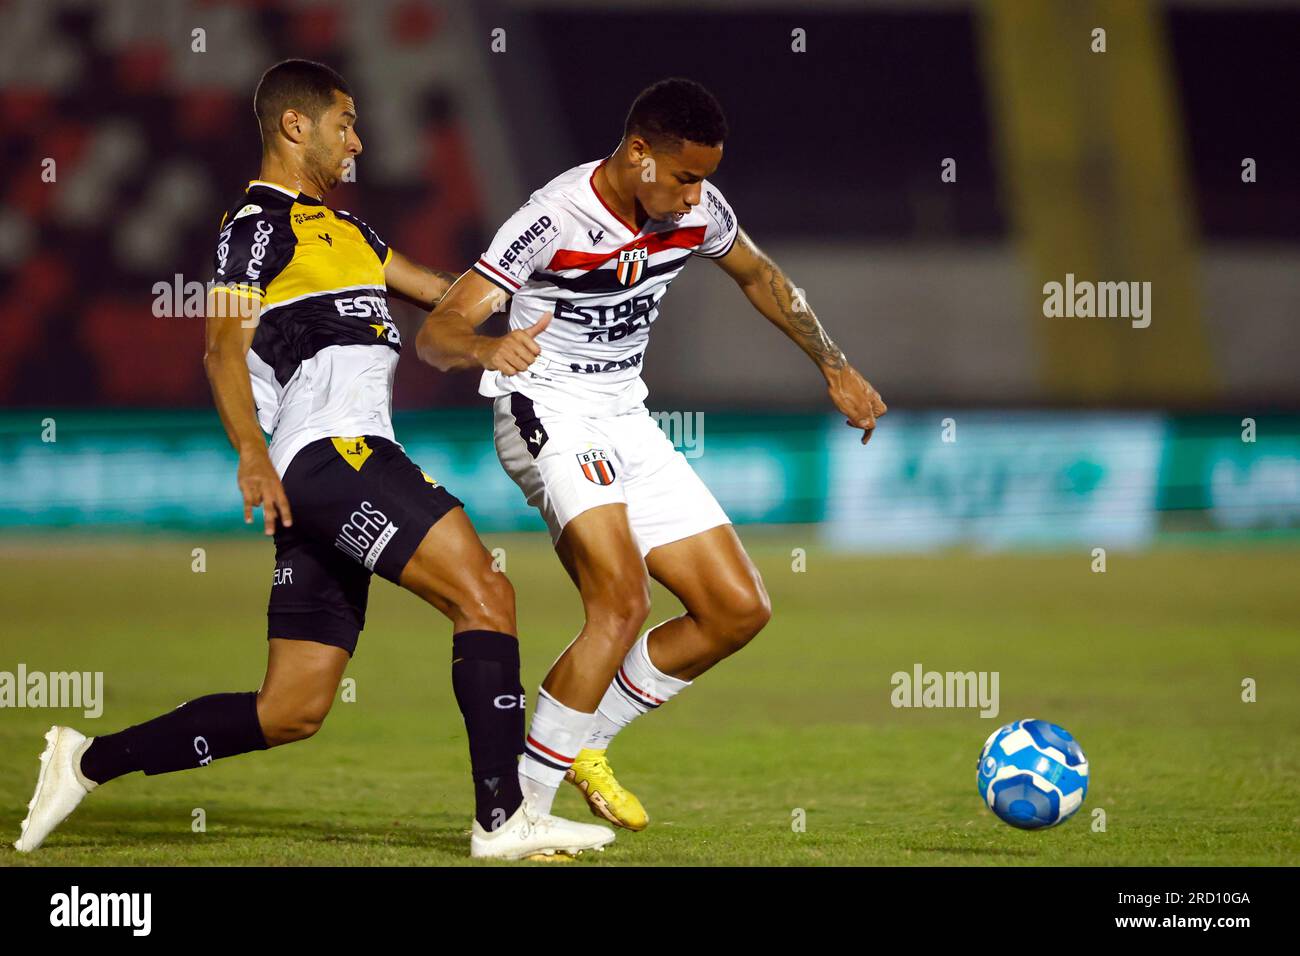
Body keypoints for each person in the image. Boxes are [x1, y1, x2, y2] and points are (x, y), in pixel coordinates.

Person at [14, 59, 612, 861]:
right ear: (296, 127)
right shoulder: (255, 227)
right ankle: (504, 819)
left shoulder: (353, 233)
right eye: (345, 122)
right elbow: (220, 350)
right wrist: (251, 455)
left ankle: (86, 761)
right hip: (330, 454)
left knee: (289, 709)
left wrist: (561, 265)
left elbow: (450, 292)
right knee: (486, 592)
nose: (358, 140)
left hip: (328, 479)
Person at [414, 78, 885, 830]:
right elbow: (437, 332)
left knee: (736, 609)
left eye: (707, 178)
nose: (697, 194)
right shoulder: (551, 218)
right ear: (639, 154)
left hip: (625, 416)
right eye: (686, 176)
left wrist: (833, 363)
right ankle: (515, 818)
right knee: (622, 603)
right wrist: (487, 344)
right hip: (548, 410)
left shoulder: (699, 211)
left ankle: (582, 743)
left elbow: (760, 276)